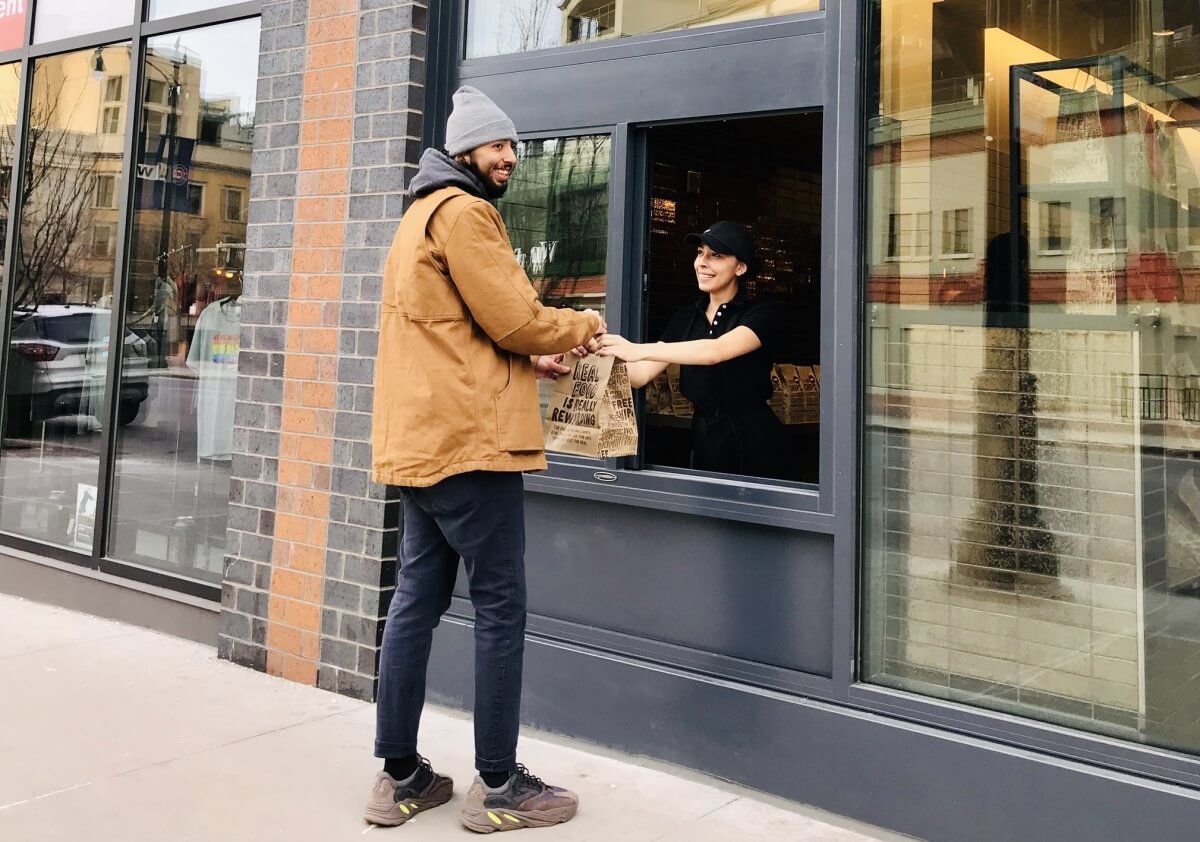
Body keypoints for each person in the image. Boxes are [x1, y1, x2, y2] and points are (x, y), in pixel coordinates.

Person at [365, 86, 604, 833]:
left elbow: (454, 334)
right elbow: (516, 317)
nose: (510, 158)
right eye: (498, 146)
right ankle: (499, 786)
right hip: (470, 448)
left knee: (415, 605)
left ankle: (400, 777)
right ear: (466, 149)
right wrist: (585, 321)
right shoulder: (466, 212)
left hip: (420, 441)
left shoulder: (416, 218)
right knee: (501, 609)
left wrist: (528, 368)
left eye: (513, 147)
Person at [597, 221, 786, 478]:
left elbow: (716, 351)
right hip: (706, 436)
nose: (702, 262)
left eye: (716, 255)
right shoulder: (686, 317)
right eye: (700, 253)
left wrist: (638, 349)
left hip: (755, 435)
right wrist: (597, 349)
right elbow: (640, 375)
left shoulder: (760, 314)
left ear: (740, 267)